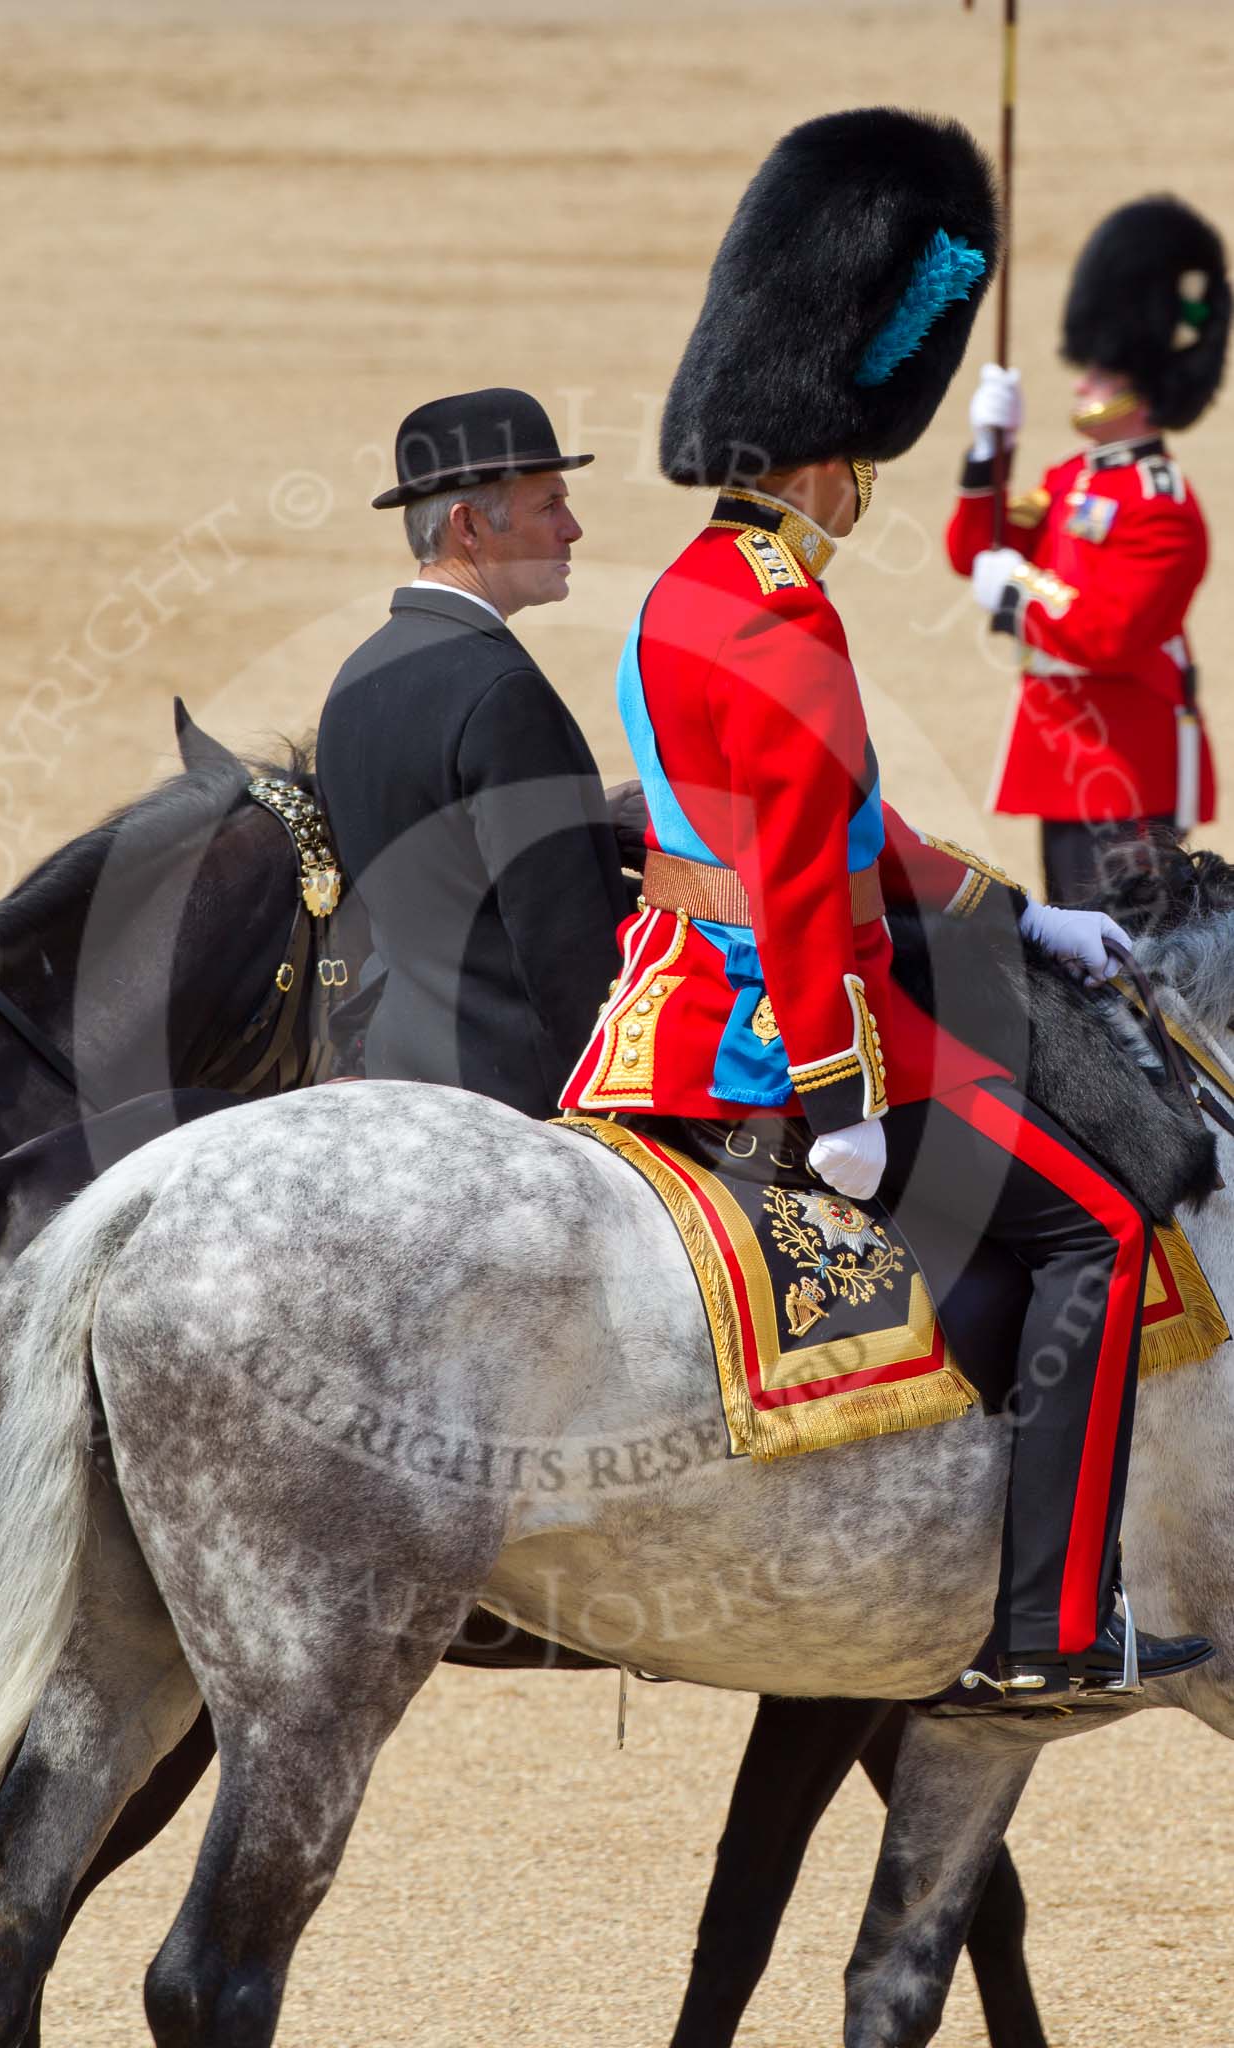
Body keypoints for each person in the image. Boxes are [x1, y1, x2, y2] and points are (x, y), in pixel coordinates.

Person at [559, 109, 1212, 1703]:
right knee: (1106, 1231)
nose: (867, 489)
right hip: (774, 1025)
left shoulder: (690, 590)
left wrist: (1013, 911)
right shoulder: (785, 621)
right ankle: (1050, 1628)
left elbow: (851, 831)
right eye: (862, 460)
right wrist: (842, 1090)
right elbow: (798, 880)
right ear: (819, 455)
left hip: (669, 991)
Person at [316, 387, 630, 1120]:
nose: (573, 529)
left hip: (394, 1065)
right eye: (548, 505)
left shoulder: (356, 675)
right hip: (511, 1093)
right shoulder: (501, 689)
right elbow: (564, 943)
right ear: (469, 527)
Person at [947, 198, 1229, 904]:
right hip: (1065, 752)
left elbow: (1106, 632)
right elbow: (970, 550)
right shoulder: (1068, 478)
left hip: (1123, 760)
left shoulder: (1162, 506)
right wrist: (988, 453)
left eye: (1100, 377)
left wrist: (1013, 586)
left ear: (1142, 390)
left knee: (1130, 973)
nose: (1081, 384)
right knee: (1080, 958)